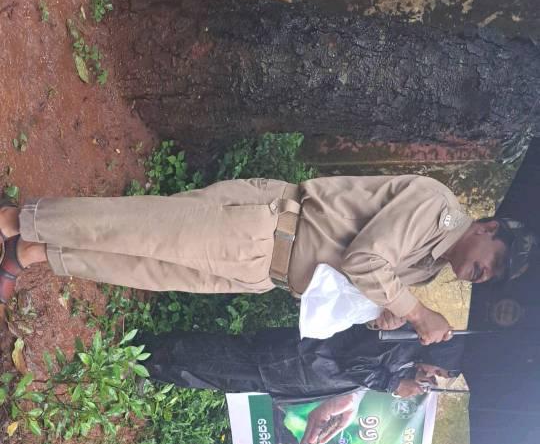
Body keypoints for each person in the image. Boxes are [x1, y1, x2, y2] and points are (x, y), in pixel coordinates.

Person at [0, 175, 536, 343]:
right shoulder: (437, 208)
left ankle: (34, 251)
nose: (482, 275)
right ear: (488, 229)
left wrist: (383, 315)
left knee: (146, 269)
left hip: (264, 271)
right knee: (136, 228)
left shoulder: (428, 266)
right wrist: (416, 313)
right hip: (264, 229)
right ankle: (15, 220)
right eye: (492, 262)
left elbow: (355, 284)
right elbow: (366, 261)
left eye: (490, 278)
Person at [139, 321, 463, 404]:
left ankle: (151, 366)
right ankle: (147, 352)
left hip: (288, 372)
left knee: (217, 375)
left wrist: (403, 379)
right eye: (438, 370)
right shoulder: (402, 344)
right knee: (216, 360)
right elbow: (355, 363)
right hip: (288, 360)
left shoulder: (408, 359)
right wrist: (393, 384)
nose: (432, 375)